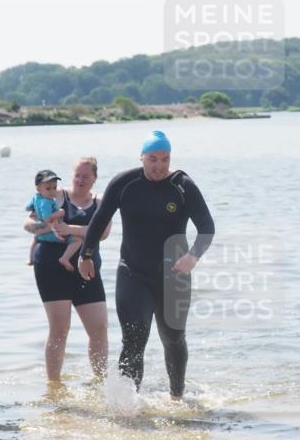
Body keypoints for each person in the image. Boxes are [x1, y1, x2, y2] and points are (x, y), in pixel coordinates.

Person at [78, 130, 215, 400]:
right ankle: (127, 404)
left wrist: (193, 256)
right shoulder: (125, 183)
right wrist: (86, 255)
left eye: (165, 159)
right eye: (153, 159)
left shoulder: (183, 185)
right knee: (133, 339)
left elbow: (207, 227)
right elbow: (99, 219)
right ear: (142, 157)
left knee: (173, 338)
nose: (159, 166)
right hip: (133, 272)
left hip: (174, 275)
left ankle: (177, 396)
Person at [24, 157, 112, 382]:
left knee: (99, 328)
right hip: (51, 268)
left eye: (86, 176)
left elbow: (103, 232)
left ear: (94, 178)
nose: (81, 180)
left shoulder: (101, 200)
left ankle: (100, 381)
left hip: (88, 269)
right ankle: (54, 384)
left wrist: (70, 228)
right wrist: (47, 227)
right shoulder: (56, 194)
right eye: (77, 175)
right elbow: (28, 224)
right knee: (60, 329)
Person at [26, 170, 81, 270]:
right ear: (38, 188)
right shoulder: (46, 202)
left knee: (35, 238)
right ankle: (64, 258)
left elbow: (28, 207)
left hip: (40, 234)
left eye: (54, 188)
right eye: (48, 188)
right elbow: (47, 218)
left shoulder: (36, 198)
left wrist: (33, 210)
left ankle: (30, 259)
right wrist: (60, 212)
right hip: (52, 231)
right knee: (78, 240)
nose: (52, 191)